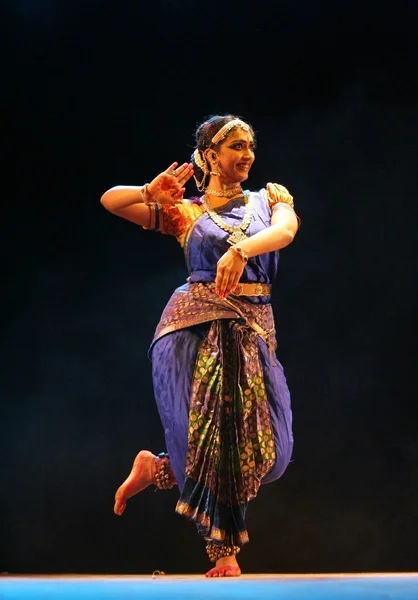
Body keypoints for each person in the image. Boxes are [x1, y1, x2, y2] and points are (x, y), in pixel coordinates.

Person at [100, 114, 300, 577]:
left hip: (253, 328)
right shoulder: (185, 211)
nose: (247, 154)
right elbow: (110, 201)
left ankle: (159, 470)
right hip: (196, 329)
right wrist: (149, 193)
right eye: (235, 146)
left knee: (274, 456)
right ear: (210, 155)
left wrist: (241, 250)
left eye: (250, 145)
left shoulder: (270, 200)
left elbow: (286, 232)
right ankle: (224, 552)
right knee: (220, 440)